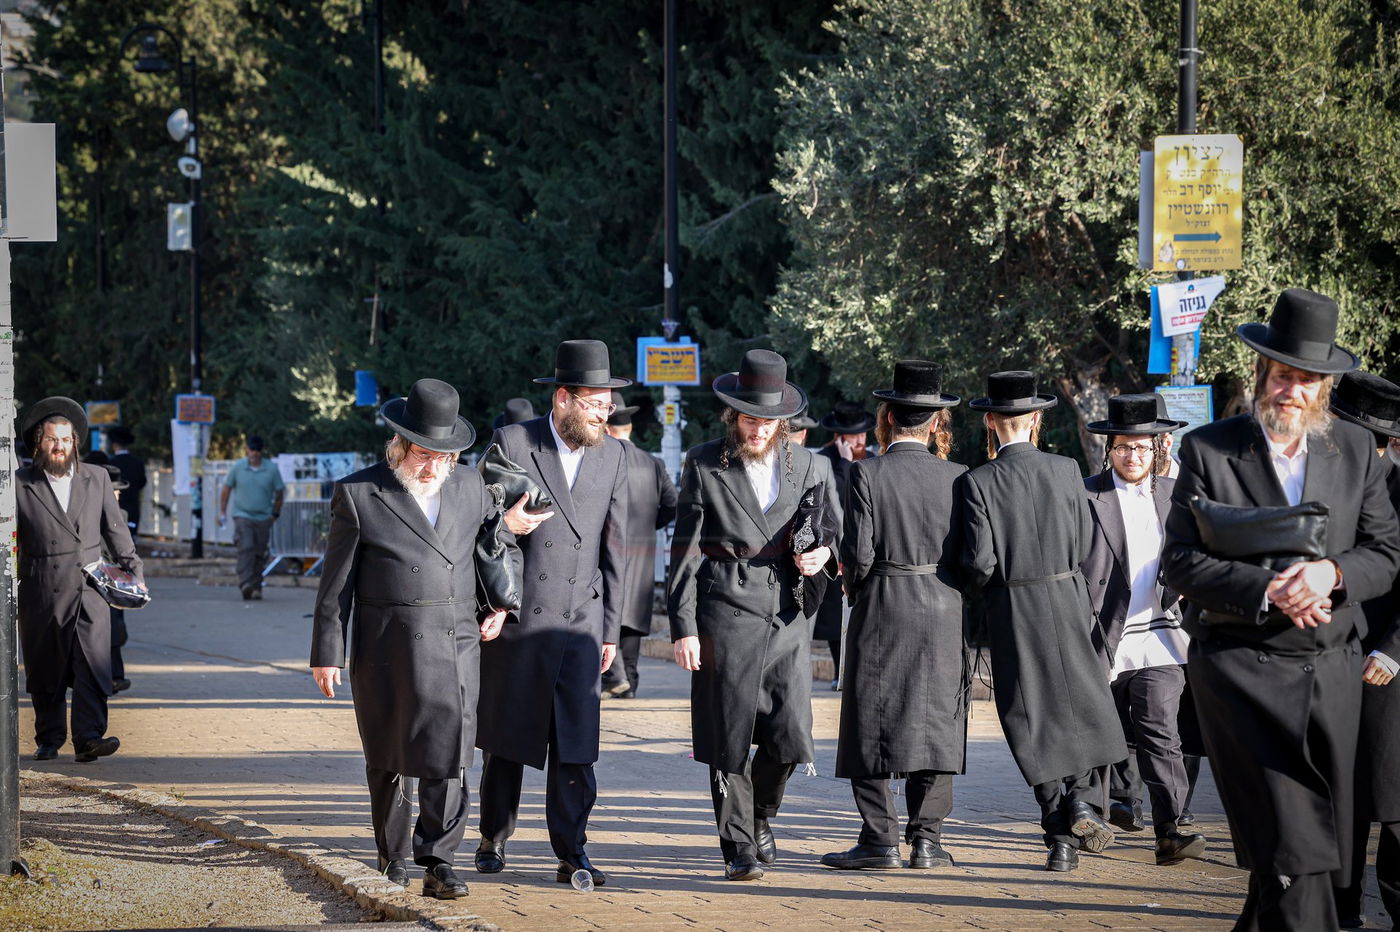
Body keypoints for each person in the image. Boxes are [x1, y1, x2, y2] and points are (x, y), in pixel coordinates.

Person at [1161, 288, 1400, 930]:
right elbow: (1178, 563)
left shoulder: (1353, 450)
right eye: (1283, 375)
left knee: (1306, 856)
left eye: (1307, 380)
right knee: (1298, 850)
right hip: (1243, 677)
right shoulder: (1208, 450)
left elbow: (1386, 553)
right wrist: (1267, 589)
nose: (1292, 390)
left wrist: (1332, 571)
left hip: (1333, 681)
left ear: (1325, 389)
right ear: (1261, 375)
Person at [311, 378, 517, 899]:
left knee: (451, 753)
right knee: (389, 753)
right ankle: (393, 854)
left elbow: (496, 547)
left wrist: (499, 605)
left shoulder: (471, 486)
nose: (432, 468)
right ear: (400, 446)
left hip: (457, 640)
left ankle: (440, 859)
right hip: (386, 646)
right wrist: (326, 653)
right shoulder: (360, 493)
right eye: (423, 455)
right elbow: (335, 585)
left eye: (443, 458)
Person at [668, 349, 838, 882]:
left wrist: (823, 554)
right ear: (733, 416)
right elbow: (685, 551)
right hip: (723, 609)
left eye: (767, 420)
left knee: (790, 736)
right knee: (729, 733)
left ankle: (762, 812)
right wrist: (684, 626)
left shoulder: (813, 465)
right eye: (749, 418)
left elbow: (833, 532)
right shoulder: (703, 461)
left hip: (789, 615)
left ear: (783, 421)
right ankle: (738, 845)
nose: (758, 428)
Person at [473, 339, 629, 888]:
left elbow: (615, 546)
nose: (603, 413)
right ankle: (494, 836)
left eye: (608, 405)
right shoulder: (514, 441)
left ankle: (572, 850)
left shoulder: (614, 453)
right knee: (507, 738)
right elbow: (478, 526)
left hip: (581, 622)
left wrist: (612, 629)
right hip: (520, 617)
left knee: (578, 743)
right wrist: (493, 592)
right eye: (594, 403)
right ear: (563, 398)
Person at [960, 371, 1126, 872]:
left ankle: (1060, 833)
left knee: (1027, 715)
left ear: (990, 421)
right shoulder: (1066, 468)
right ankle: (1079, 803)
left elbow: (980, 562)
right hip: (1067, 594)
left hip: (1014, 606)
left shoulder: (976, 481)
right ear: (1035, 418)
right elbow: (1082, 542)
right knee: (1077, 704)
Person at [819, 360, 967, 872]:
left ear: (886, 418)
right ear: (935, 423)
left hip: (884, 598)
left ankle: (879, 839)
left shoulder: (867, 471)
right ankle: (927, 840)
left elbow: (857, 552)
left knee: (869, 716)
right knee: (940, 717)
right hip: (946, 604)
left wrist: (857, 590)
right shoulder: (960, 476)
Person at [1080, 394, 1206, 866]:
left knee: (1160, 733)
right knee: (1100, 735)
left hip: (1162, 635)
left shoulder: (1177, 494)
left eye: (1141, 448)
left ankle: (1172, 827)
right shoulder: (1086, 494)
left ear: (1157, 448)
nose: (1132, 456)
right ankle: (1086, 816)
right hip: (1100, 636)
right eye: (1123, 447)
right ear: (1109, 449)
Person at [17, 396, 142, 763]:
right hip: (41, 587)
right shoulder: (20, 484)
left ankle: (89, 737)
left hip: (90, 586)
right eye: (52, 439)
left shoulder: (97, 477)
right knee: (46, 667)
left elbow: (116, 530)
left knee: (93, 663)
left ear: (76, 443)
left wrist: (133, 571)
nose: (59, 446)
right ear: (39, 442)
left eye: (66, 439)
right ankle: (49, 738)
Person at [1327, 370, 1400, 927]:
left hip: (1387, 672)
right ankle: (1342, 912)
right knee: (1337, 804)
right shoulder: (1321, 482)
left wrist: (1392, 650)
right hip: (1327, 665)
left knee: (1391, 801)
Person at [599, 392, 678, 699]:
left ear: (606, 429)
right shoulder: (653, 463)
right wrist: (650, 527)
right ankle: (629, 681)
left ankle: (613, 677)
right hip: (644, 551)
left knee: (607, 610)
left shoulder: (604, 460)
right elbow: (672, 505)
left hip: (607, 549)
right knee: (633, 616)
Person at [814, 401, 876, 690]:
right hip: (835, 548)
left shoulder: (873, 457)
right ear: (840, 437)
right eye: (854, 435)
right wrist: (843, 463)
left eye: (864, 433)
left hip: (868, 546)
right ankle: (840, 670)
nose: (861, 439)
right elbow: (837, 498)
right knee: (834, 614)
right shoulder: (825, 459)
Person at [82, 451, 133, 695]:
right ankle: (107, 676)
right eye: (115, 490)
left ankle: (115, 676)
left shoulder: (119, 514)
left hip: (113, 581)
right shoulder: (84, 511)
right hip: (92, 579)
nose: (118, 494)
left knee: (115, 632)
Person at [218, 435, 286, 600]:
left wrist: (275, 513)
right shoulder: (238, 467)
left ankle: (256, 587)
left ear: (262, 451)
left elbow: (279, 492)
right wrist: (222, 511)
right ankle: (245, 583)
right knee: (246, 546)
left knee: (259, 552)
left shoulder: (271, 469)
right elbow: (226, 489)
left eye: (257, 450)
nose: (254, 453)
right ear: (247, 450)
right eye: (251, 450)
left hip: (264, 517)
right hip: (243, 515)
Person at [107, 426, 146, 535]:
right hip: (133, 507)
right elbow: (142, 482)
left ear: (114, 445)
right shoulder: (138, 463)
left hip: (114, 508)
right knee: (131, 537)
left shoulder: (110, 463)